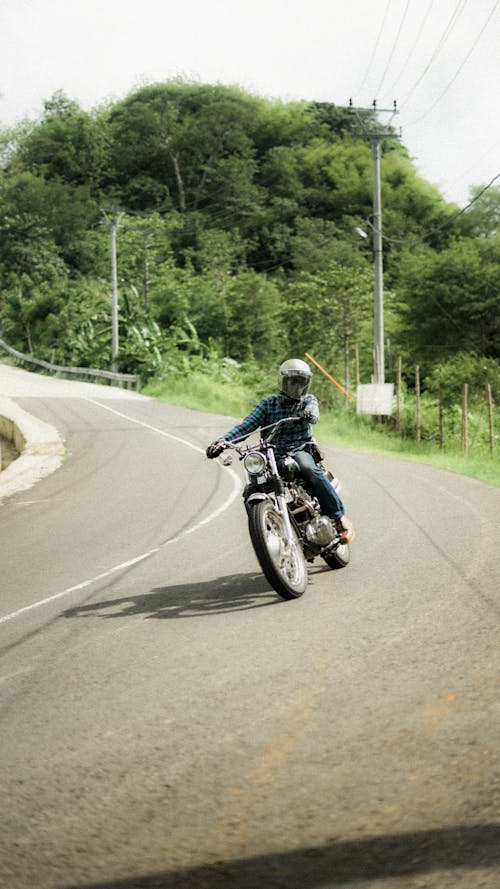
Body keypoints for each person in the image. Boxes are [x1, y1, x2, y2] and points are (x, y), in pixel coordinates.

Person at [206, 358, 354, 544]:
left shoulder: (308, 401)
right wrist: (222, 442)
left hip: (299, 449)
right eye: (293, 381)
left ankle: (339, 518)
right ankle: (267, 532)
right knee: (250, 491)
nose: (297, 386)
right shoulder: (268, 404)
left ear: (307, 383)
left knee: (309, 469)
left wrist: (308, 415)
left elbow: (314, 413)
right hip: (271, 455)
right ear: (283, 381)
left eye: (301, 381)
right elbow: (246, 426)